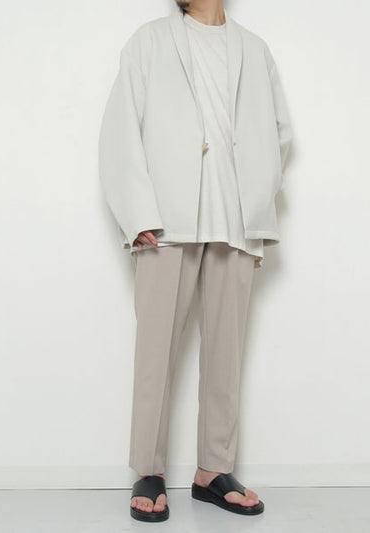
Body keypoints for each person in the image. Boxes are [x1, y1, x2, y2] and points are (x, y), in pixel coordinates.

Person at [98, 0, 293, 522]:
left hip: (236, 221)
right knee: (155, 351)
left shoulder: (254, 50)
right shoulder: (149, 41)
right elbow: (120, 130)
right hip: (166, 221)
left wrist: (257, 199)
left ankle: (213, 471)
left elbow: (279, 133)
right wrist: (137, 212)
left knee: (227, 352)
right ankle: (149, 469)